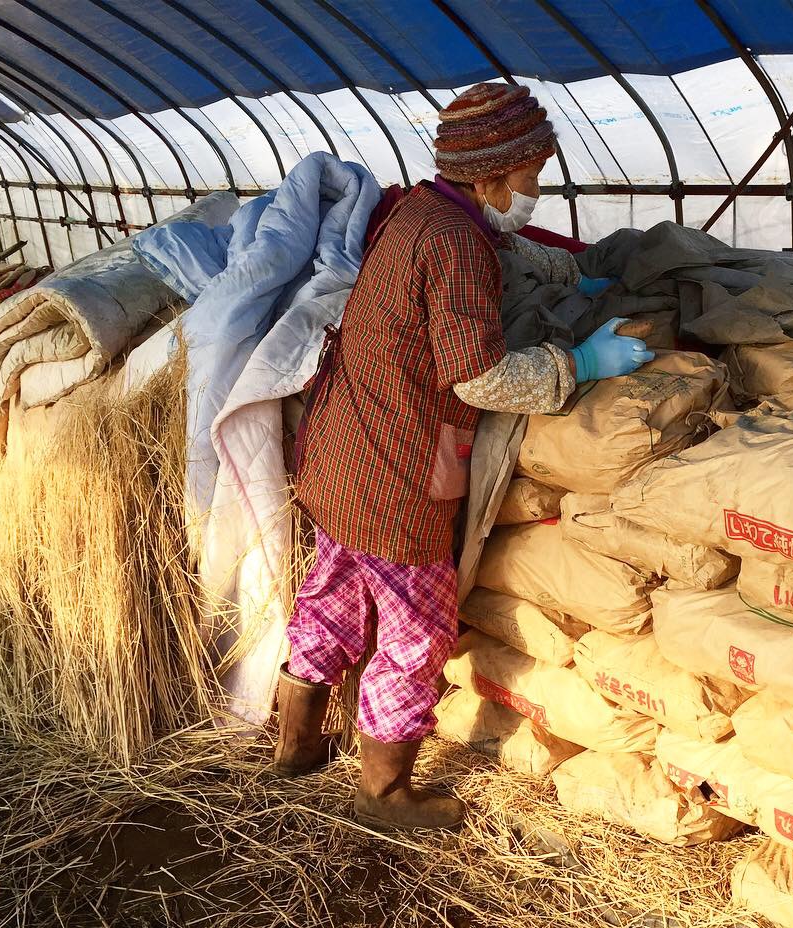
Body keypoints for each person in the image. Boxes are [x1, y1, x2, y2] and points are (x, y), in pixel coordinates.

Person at [276, 83, 653, 831]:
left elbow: (505, 250)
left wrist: (574, 277)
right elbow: (479, 376)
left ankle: (292, 747)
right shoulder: (452, 244)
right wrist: (578, 361)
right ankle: (382, 792)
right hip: (396, 476)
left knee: (332, 600)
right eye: (530, 178)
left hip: (341, 458)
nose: (536, 193)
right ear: (489, 176)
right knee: (415, 636)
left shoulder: (423, 211)